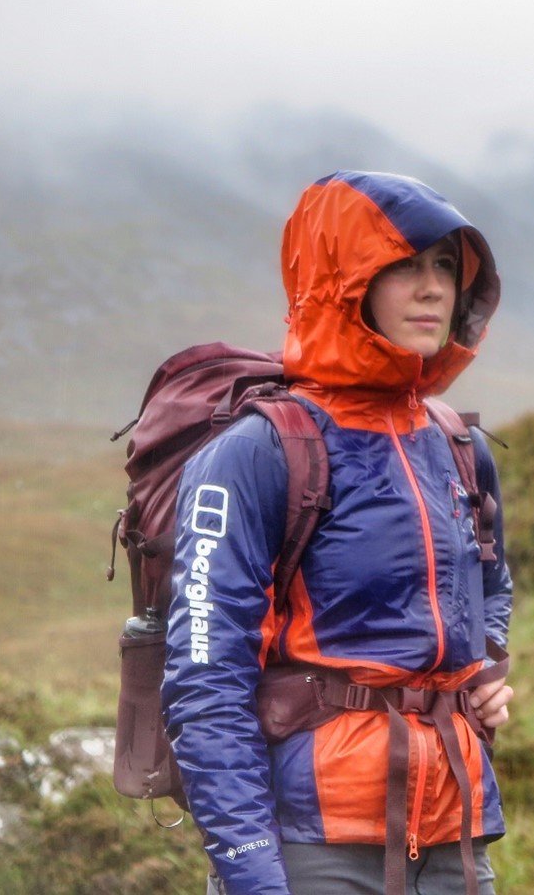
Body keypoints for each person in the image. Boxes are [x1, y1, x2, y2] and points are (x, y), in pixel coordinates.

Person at [162, 171, 515, 895]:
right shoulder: (259, 452)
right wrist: (252, 871)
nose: (433, 289)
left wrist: (485, 667)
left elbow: (490, 582)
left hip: (456, 837)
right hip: (313, 849)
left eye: (445, 266)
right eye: (403, 265)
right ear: (341, 281)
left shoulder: (458, 446)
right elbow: (206, 680)